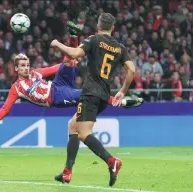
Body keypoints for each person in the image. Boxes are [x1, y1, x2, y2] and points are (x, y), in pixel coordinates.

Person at [50, 13, 135, 186]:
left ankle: (112, 161)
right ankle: (67, 172)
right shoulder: (119, 48)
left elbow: (74, 54)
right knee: (73, 126)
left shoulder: (94, 39)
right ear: (112, 28)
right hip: (104, 94)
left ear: (98, 27)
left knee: (83, 133)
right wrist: (123, 91)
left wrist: (57, 44)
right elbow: (132, 70)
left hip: (90, 93)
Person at [0, 53, 141, 133]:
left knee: (69, 59)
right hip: (56, 97)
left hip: (59, 84)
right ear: (16, 69)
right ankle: (122, 102)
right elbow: (5, 109)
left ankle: (73, 35)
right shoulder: (16, 88)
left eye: (27, 65)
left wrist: (70, 63)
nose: (26, 68)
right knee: (89, 93)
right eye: (22, 66)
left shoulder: (36, 72)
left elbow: (55, 68)